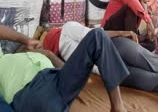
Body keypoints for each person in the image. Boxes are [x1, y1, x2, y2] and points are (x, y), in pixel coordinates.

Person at [0, 25, 129, 112]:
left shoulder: (44, 55)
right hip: (26, 97)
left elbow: (65, 71)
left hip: (56, 85)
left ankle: (117, 107)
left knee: (97, 35)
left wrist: (48, 54)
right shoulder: (5, 61)